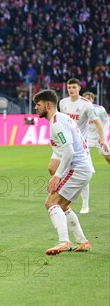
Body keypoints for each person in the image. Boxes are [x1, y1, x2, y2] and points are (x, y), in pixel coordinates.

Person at [33, 90, 92, 255]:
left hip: (78, 168)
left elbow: (69, 152)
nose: (36, 108)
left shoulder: (57, 123)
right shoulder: (63, 119)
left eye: (38, 105)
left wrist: (57, 176)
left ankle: (64, 241)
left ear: (48, 105)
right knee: (63, 205)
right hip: (84, 167)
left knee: (51, 203)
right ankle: (82, 241)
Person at [53, 78, 108, 214]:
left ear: (79, 88)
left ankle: (75, 200)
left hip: (82, 142)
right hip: (67, 141)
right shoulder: (62, 103)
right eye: (69, 87)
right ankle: (77, 200)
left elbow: (101, 123)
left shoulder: (90, 106)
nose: (71, 90)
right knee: (52, 168)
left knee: (92, 167)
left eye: (74, 87)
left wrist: (103, 139)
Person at [82, 92, 110, 164]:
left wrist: (102, 136)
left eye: (88, 98)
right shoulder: (80, 111)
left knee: (108, 157)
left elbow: (107, 121)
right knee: (82, 158)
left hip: (99, 138)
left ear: (92, 100)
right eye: (85, 99)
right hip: (87, 138)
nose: (87, 100)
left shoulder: (100, 109)